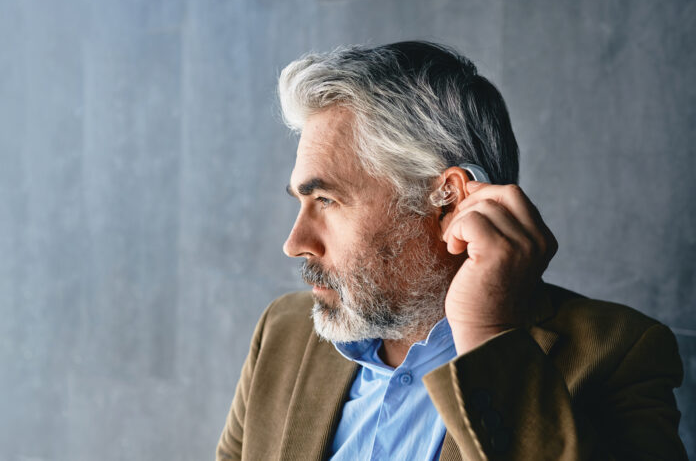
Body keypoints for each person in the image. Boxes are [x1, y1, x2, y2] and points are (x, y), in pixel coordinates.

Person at [215, 41, 686, 460]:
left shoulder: (620, 353)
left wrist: (489, 334)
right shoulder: (282, 333)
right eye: (302, 201)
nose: (295, 243)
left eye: (327, 200)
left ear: (450, 200)